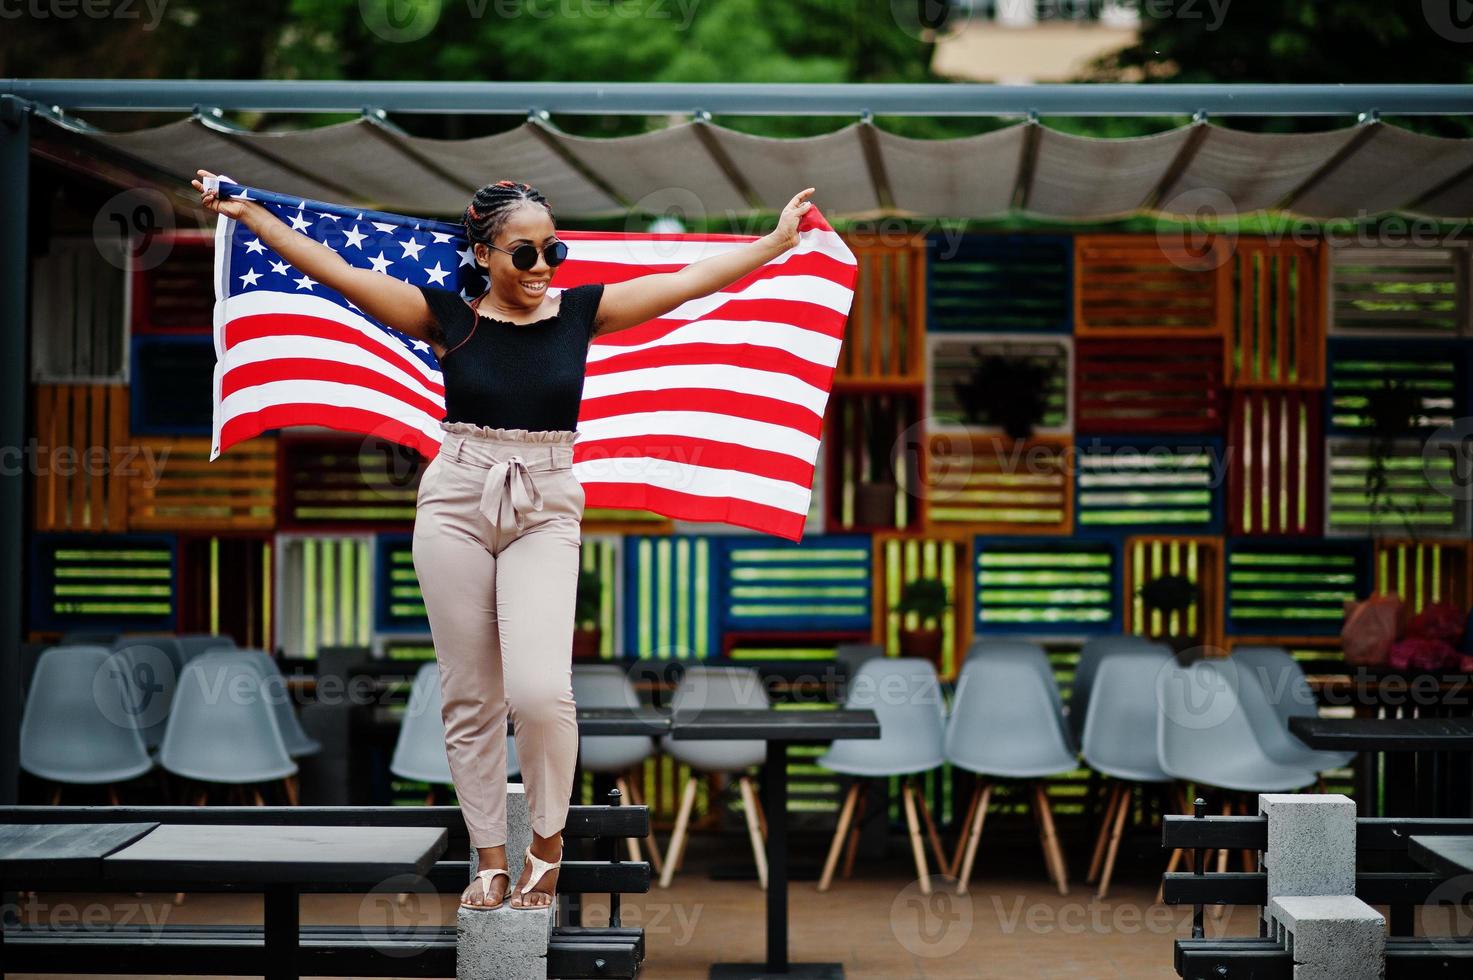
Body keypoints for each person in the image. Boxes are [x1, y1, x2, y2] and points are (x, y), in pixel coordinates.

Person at [194, 170, 817, 911]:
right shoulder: (446, 318)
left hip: (546, 500)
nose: (543, 267)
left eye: (553, 251)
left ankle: (545, 849)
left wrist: (775, 243)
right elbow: (334, 269)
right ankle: (489, 858)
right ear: (483, 255)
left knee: (540, 693)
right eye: (525, 254)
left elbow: (687, 281)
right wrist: (250, 212)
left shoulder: (580, 312)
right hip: (457, 495)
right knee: (470, 696)